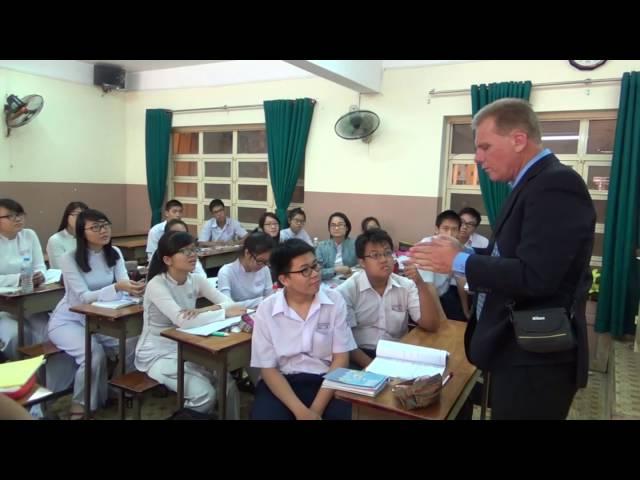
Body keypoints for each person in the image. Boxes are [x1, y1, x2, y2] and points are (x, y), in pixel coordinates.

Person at [409, 98, 595, 420]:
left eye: (484, 146)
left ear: (518, 139)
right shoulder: (529, 184)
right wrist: (465, 252)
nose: (477, 157)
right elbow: (512, 256)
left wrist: (460, 263)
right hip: (516, 349)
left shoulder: (555, 184)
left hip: (535, 358)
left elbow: (537, 275)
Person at [135, 231, 244, 418]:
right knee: (204, 395)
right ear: (168, 259)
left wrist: (203, 311)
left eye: (193, 249)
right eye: (185, 251)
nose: (192, 255)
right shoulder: (156, 284)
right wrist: (222, 311)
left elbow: (231, 304)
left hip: (188, 346)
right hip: (158, 353)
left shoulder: (196, 280)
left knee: (227, 384)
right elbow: (184, 321)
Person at [48, 209, 145, 419]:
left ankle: (115, 388)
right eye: (95, 227)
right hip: (70, 320)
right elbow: (83, 297)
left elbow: (124, 284)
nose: (103, 231)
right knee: (94, 354)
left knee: (133, 341)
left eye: (105, 225)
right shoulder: (70, 258)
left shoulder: (115, 252)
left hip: (101, 318)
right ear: (82, 233)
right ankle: (79, 405)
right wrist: (118, 288)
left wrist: (134, 289)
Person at [250, 239, 356, 420]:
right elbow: (268, 369)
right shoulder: (267, 309)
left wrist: (314, 411)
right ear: (284, 279)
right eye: (305, 270)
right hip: (283, 383)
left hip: (327, 382)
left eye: (316, 266)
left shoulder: (334, 301)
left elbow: (341, 359)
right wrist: (300, 411)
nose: (315, 274)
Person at [337, 229, 443, 368]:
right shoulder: (347, 291)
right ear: (362, 262)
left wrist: (420, 284)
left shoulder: (406, 285)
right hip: (361, 356)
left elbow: (431, 324)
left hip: (397, 354)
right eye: (375, 255)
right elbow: (346, 343)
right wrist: (374, 368)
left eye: (387, 253)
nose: (384, 260)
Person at [0, 199, 49, 360]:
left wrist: (40, 275)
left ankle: (47, 379)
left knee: (48, 331)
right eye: (11, 216)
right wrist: (18, 279)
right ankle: (18, 376)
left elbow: (40, 266)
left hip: (30, 302)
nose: (18, 219)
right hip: (4, 308)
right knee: (16, 336)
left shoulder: (29, 235)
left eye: (20, 214)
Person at [420, 210, 469, 321]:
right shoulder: (426, 246)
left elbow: (460, 280)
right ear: (437, 230)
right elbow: (429, 286)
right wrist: (443, 318)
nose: (449, 234)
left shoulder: (456, 248)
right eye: (445, 229)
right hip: (424, 298)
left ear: (458, 231)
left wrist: (465, 311)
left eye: (454, 229)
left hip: (443, 294)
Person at [217, 231, 274, 309]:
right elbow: (227, 306)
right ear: (247, 253)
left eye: (266, 262)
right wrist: (260, 301)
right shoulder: (226, 272)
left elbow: (270, 298)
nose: (263, 265)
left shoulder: (264, 269)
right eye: (259, 261)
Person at [315, 212, 358, 281]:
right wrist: (336, 270)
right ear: (329, 229)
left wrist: (352, 273)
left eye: (340, 225)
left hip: (350, 282)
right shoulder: (321, 246)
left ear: (346, 228)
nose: (336, 228)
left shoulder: (355, 244)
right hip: (327, 283)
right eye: (333, 225)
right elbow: (317, 272)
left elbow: (361, 267)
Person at [46, 201, 89, 269]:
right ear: (67, 217)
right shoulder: (55, 240)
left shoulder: (89, 237)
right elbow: (59, 268)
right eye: (77, 215)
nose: (81, 219)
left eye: (85, 216)